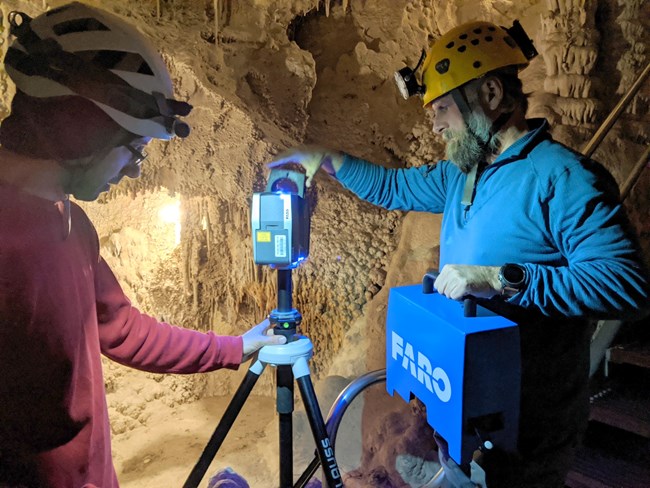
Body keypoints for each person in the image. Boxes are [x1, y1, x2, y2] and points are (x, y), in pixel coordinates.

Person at [270, 20, 650, 488]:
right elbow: (392, 187)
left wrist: (503, 278)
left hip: (528, 431)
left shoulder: (563, 178)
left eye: (444, 107)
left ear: (491, 94)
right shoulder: (463, 174)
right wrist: (323, 157)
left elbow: (626, 286)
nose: (434, 123)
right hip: (463, 417)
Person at [0, 3, 286, 487]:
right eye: (133, 149)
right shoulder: (11, 250)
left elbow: (122, 327)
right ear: (83, 127)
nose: (134, 169)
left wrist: (238, 347)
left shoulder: (71, 223)